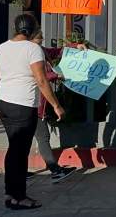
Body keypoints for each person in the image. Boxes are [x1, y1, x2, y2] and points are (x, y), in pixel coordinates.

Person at [0, 14, 65, 210]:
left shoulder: (1, 48)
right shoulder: (33, 49)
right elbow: (41, 80)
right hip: (22, 105)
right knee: (20, 152)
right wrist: (56, 105)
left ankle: (9, 192)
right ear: (32, 30)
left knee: (13, 148)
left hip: (3, 103)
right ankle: (19, 197)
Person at [28, 31, 78, 183]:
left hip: (32, 103)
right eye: (38, 38)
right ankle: (55, 170)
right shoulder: (32, 54)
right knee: (43, 137)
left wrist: (75, 46)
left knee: (26, 138)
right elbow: (38, 77)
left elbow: (56, 51)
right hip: (34, 103)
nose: (41, 40)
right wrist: (55, 76)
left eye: (42, 37)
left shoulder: (40, 50)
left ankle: (18, 171)